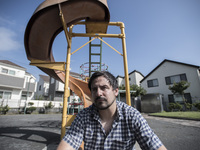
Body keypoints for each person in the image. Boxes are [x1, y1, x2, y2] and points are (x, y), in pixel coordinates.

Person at [57, 71, 167, 150]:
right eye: (94, 89)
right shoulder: (83, 116)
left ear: (115, 91)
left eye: (104, 88)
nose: (99, 93)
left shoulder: (132, 116)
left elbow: (153, 144)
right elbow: (69, 142)